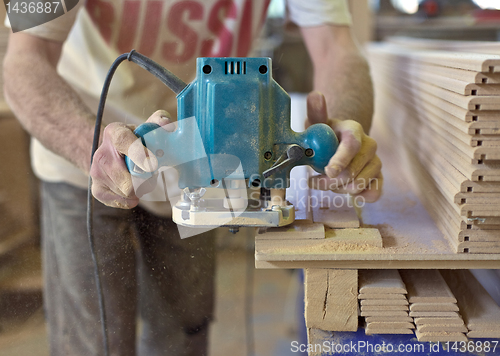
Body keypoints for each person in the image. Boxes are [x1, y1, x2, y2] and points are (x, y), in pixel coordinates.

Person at [3, 0, 382, 355]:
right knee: (93, 339)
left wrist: (340, 133)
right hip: (86, 149)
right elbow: (23, 60)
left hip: (206, 169)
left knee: (182, 335)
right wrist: (90, 146)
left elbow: (337, 48)